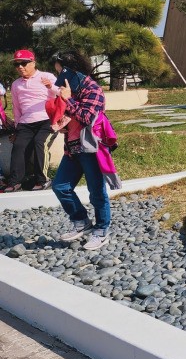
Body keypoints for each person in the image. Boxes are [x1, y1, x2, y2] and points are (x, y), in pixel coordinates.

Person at [48, 51, 113, 250]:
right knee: (60, 186)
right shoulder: (71, 89)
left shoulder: (93, 89)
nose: (60, 79)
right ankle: (82, 222)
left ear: (71, 71)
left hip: (91, 149)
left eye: (61, 74)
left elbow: (87, 117)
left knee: (97, 192)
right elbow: (72, 118)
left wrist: (68, 100)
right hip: (73, 148)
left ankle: (102, 230)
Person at [4, 49, 56, 192]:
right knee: (18, 146)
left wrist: (51, 86)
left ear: (33, 63)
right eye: (17, 64)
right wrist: (17, 129)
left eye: (24, 63)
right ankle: (15, 182)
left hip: (47, 119)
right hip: (26, 122)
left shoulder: (46, 76)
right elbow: (17, 108)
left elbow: (62, 93)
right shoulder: (16, 84)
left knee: (39, 143)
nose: (20, 67)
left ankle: (43, 179)